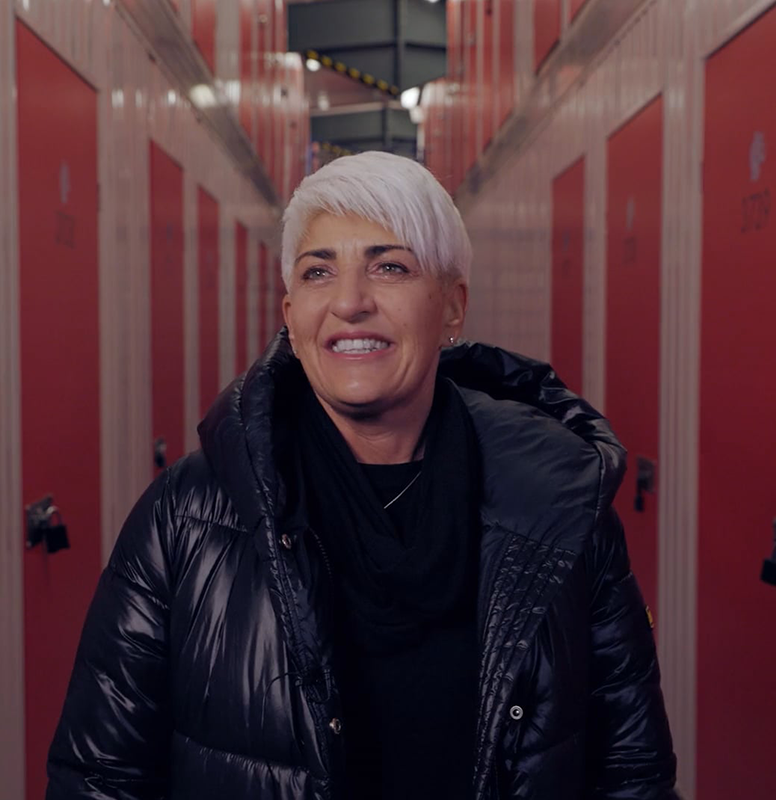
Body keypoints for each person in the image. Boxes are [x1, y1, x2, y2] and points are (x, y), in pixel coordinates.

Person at [47, 151, 677, 800]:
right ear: (291, 316)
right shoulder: (185, 520)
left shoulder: (561, 511)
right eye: (319, 272)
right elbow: (98, 779)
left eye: (390, 266)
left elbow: (632, 775)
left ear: (453, 309)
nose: (349, 301)